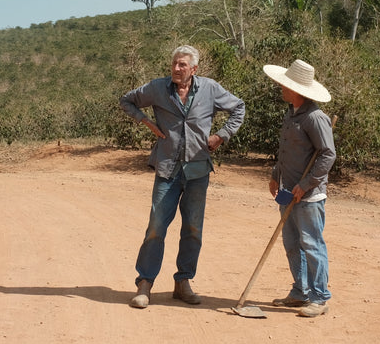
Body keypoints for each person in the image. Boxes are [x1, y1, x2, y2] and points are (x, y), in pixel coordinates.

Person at [120, 45, 245, 309]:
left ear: (194, 69)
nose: (176, 69)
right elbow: (126, 100)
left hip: (198, 170)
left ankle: (183, 282)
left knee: (193, 229)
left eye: (182, 65)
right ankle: (145, 283)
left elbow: (239, 108)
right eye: (174, 64)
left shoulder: (210, 88)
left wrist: (221, 136)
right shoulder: (157, 88)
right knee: (156, 227)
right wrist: (146, 122)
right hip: (167, 168)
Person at [263, 59, 337, 318]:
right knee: (292, 243)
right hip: (287, 190)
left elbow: (328, 155)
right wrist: (275, 175)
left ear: (296, 90)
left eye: (285, 85)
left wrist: (305, 185)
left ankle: (319, 297)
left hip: (308, 196)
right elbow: (287, 151)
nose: (281, 88)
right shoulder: (291, 112)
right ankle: (300, 292)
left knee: (312, 244)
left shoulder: (316, 118)